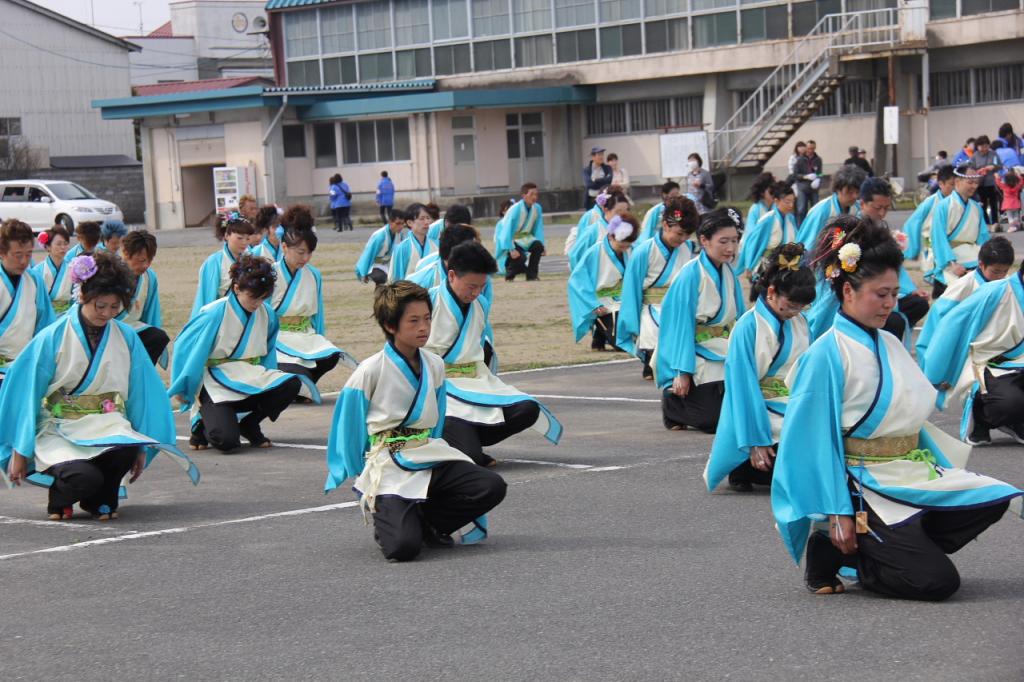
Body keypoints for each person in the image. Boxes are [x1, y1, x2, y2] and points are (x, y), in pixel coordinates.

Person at [771, 219, 1020, 600]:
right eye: (881, 294)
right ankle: (843, 550)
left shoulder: (888, 341)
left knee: (991, 498)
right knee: (937, 582)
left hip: (907, 470)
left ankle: (894, 544)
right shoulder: (826, 354)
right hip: (863, 484)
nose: (890, 303)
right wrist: (836, 511)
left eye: (894, 293)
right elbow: (810, 442)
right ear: (848, 291)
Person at [0, 252, 199, 521]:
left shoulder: (126, 337)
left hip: (107, 423)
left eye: (115, 307)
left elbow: (140, 393)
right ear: (83, 295)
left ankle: (100, 499)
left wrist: (141, 446)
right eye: (100, 306)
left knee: (126, 449)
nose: (107, 314)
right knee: (84, 477)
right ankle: (61, 496)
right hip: (61, 427)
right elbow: (27, 391)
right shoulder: (53, 336)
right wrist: (20, 450)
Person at [325, 281, 507, 562]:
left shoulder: (435, 364)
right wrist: (360, 472)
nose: (424, 327)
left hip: (427, 451)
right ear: (390, 325)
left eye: (427, 318)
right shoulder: (370, 370)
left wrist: (436, 448)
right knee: (403, 548)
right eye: (413, 321)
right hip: (387, 461)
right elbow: (349, 426)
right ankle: (391, 517)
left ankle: (430, 523)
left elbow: (437, 418)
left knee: (490, 486)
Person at [426, 242, 562, 468]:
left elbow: (480, 345)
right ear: (451, 275)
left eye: (482, 286)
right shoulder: (427, 303)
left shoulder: (480, 304)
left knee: (528, 408)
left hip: (476, 381)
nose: (476, 292)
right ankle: (459, 442)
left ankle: (468, 439)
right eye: (471, 286)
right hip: (441, 388)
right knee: (471, 460)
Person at [705, 242, 816, 493]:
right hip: (760, 408)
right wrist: (756, 440)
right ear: (771, 292)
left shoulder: (800, 322)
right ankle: (746, 461)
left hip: (792, 402)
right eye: (791, 304)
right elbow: (743, 388)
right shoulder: (748, 326)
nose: (796, 312)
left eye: (801, 307)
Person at [170, 254, 306, 453]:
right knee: (226, 442)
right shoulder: (214, 312)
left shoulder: (267, 314)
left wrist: (270, 380)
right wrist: (183, 385)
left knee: (290, 383)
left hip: (249, 374)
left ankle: (249, 423)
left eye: (263, 297)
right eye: (252, 297)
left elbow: (268, 353)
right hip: (214, 380)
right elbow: (184, 346)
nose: (257, 303)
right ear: (236, 288)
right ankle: (202, 424)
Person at [657, 208, 745, 432]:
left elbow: (741, 316)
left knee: (741, 413)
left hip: (723, 347)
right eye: (723, 241)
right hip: (695, 352)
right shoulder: (690, 274)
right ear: (704, 241)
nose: (730, 248)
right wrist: (681, 371)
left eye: (734, 241)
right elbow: (679, 326)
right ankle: (673, 406)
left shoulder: (729, 272)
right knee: (712, 421)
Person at [617, 196, 700, 380]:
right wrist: (631, 321)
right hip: (652, 307)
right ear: (665, 225)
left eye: (687, 235)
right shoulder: (643, 251)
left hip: (678, 305)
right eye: (679, 233)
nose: (683, 239)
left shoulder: (687, 248)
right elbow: (632, 288)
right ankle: (651, 363)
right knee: (653, 332)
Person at [271, 222, 357, 394]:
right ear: (284, 247)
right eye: (301, 252)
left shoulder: (314, 274)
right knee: (297, 371)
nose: (305, 258)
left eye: (309, 253)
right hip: (279, 336)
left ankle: (301, 385)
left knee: (331, 355)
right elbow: (262, 313)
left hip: (305, 334)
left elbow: (318, 312)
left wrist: (320, 337)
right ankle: (296, 384)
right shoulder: (271, 273)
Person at [916, 236, 1013, 364]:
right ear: (981, 265)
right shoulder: (963, 286)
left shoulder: (1008, 283)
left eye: (1005, 271)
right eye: (995, 271)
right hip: (967, 349)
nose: (1000, 276)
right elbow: (938, 319)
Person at [857, 177, 930, 342]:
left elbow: (894, 266)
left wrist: (910, 291)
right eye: (878, 208)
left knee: (920, 303)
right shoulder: (851, 230)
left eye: (886, 208)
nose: (882, 213)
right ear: (863, 204)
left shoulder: (881, 228)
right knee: (894, 321)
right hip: (865, 290)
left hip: (885, 289)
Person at [568, 213, 639, 351]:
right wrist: (594, 305)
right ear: (611, 236)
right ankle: (599, 326)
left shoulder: (633, 250)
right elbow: (577, 280)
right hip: (603, 302)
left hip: (626, 300)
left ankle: (600, 334)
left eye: (628, 245)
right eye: (621, 245)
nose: (625, 248)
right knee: (622, 344)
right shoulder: (595, 252)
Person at [0, 219, 56, 386]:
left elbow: (45, 324)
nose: (24, 261)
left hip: (25, 365)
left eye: (29, 254)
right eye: (18, 255)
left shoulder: (35, 280)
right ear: (2, 252)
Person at [926, 164, 990, 298]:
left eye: (976, 182)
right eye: (970, 182)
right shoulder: (943, 206)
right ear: (957, 181)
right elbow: (938, 237)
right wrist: (951, 264)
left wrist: (988, 258)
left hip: (974, 254)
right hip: (950, 256)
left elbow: (983, 237)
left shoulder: (976, 208)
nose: (974, 186)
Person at [118, 230, 169, 367]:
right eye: (141, 260)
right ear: (126, 253)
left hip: (133, 329)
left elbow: (151, 312)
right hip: (110, 327)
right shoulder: (110, 272)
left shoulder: (149, 277)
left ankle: (141, 373)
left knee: (158, 337)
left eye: (149, 260)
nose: (146, 265)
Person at [191, 211, 256, 317]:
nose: (244, 242)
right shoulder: (214, 262)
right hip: (221, 315)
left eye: (248, 238)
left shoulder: (251, 259)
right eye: (240, 238)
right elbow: (207, 298)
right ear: (226, 236)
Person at [735, 181, 796, 279]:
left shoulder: (790, 218)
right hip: (766, 264)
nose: (791, 205)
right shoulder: (768, 219)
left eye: (793, 201)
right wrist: (749, 266)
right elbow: (754, 242)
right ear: (777, 201)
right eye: (787, 202)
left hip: (784, 263)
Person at [795, 165, 866, 249]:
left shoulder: (857, 207)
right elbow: (807, 246)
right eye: (850, 192)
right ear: (838, 189)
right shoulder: (821, 211)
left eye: (857, 192)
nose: (855, 196)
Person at [903, 164, 956, 268]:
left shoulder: (962, 202)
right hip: (933, 247)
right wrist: (913, 250)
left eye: (957, 183)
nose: (955, 188)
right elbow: (912, 224)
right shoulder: (931, 202)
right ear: (941, 184)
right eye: (952, 184)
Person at [495, 182, 546, 282]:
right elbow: (507, 229)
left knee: (538, 246)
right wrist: (511, 249)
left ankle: (532, 276)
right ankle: (509, 275)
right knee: (520, 257)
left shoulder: (537, 208)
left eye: (536, 194)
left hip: (526, 238)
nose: (534, 197)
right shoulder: (515, 209)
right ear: (524, 195)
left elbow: (538, 228)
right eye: (531, 194)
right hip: (512, 238)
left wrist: (542, 244)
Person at [568, 189, 628, 270]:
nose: (623, 215)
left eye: (626, 211)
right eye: (618, 212)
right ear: (605, 209)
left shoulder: (628, 229)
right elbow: (575, 256)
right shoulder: (593, 231)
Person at [355, 209, 407, 288]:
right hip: (375, 265)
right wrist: (364, 272)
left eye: (403, 224)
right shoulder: (380, 236)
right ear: (390, 222)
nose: (401, 226)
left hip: (389, 264)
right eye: (398, 223)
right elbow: (369, 254)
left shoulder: (400, 235)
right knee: (381, 278)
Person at [388, 204, 436, 283]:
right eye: (422, 219)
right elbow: (395, 278)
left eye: (428, 218)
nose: (427, 222)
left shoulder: (436, 245)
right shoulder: (402, 248)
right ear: (410, 223)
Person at [33, 225, 73, 315]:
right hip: (45, 315)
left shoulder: (72, 268)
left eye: (66, 243)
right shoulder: (37, 271)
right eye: (59, 244)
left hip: (67, 314)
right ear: (48, 247)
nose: (63, 247)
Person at [969, 135, 1002, 225]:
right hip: (980, 183)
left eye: (986, 146)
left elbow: (999, 165)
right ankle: (986, 223)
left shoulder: (993, 154)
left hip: (991, 183)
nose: (984, 149)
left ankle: (995, 222)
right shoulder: (974, 156)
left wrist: (993, 167)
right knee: (982, 204)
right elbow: (971, 168)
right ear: (977, 146)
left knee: (993, 203)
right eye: (982, 147)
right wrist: (978, 171)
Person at [793, 145, 822, 225]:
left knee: (816, 208)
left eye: (812, 148)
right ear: (806, 148)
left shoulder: (818, 159)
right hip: (802, 187)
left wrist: (818, 179)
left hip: (814, 188)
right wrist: (805, 176)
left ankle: (814, 225)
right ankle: (800, 227)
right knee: (801, 209)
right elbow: (795, 175)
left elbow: (820, 173)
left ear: (814, 148)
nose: (810, 150)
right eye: (809, 148)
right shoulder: (800, 159)